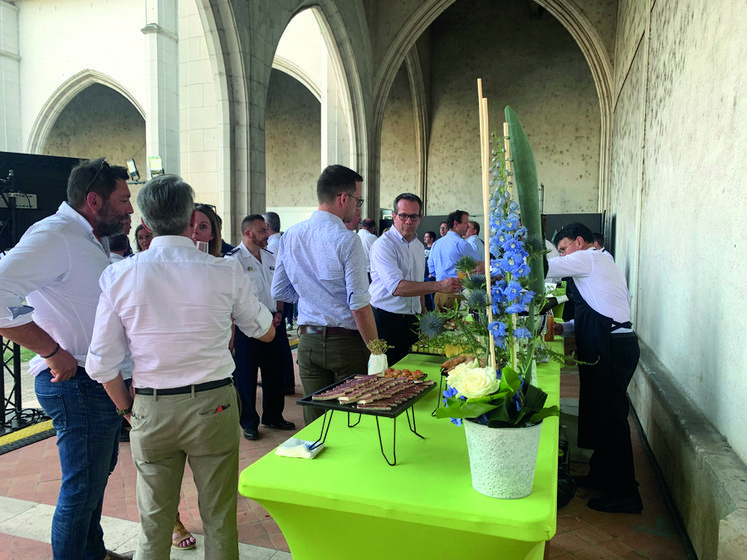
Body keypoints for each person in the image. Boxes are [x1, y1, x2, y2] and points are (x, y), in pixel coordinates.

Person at [85, 174, 274, 559]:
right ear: (192, 221)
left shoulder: (119, 275)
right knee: (219, 516)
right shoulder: (223, 270)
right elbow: (264, 330)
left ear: (146, 224)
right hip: (213, 404)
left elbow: (102, 363)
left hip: (152, 406)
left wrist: (126, 407)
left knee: (154, 523)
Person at [0, 157, 133, 560]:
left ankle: (92, 551)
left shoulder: (89, 237)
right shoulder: (55, 235)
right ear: (94, 200)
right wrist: (52, 352)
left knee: (94, 479)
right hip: (75, 382)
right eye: (123, 199)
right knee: (81, 489)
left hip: (95, 381)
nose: (130, 208)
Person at [271, 164, 378, 424]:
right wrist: (377, 350)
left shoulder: (292, 235)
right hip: (346, 343)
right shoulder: (347, 239)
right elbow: (359, 306)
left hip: (308, 340)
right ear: (344, 198)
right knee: (352, 419)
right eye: (358, 200)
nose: (357, 206)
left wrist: (313, 296)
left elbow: (279, 290)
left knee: (316, 422)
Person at [548, 222, 642, 514]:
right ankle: (601, 475)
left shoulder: (589, 258)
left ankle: (626, 493)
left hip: (612, 348)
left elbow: (539, 268)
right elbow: (598, 310)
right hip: (611, 342)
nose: (563, 257)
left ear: (580, 241)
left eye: (564, 250)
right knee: (601, 413)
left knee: (612, 418)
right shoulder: (600, 262)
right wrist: (565, 327)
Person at [225, 214, 296, 440]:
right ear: (248, 233)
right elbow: (232, 299)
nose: (268, 234)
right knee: (245, 376)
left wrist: (279, 313)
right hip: (247, 328)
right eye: (262, 231)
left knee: (275, 372)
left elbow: (280, 288)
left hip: (274, 324)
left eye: (267, 230)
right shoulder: (233, 261)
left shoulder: (271, 257)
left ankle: (273, 415)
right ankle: (248, 421)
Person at [369, 194, 461, 365]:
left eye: (414, 216)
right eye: (403, 215)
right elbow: (397, 288)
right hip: (386, 320)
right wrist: (439, 285)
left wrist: (424, 318)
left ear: (420, 218)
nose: (408, 221)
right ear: (394, 216)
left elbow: (419, 287)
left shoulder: (418, 246)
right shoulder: (384, 245)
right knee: (390, 374)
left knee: (413, 371)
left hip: (412, 320)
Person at [428, 209, 483, 310]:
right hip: (455, 296)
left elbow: (431, 269)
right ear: (456, 223)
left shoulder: (436, 244)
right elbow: (478, 267)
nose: (467, 226)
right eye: (466, 223)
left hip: (439, 295)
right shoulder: (462, 244)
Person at [423, 231, 437, 311]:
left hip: (431, 276)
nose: (424, 238)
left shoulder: (434, 249)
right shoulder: (423, 249)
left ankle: (433, 311)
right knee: (425, 297)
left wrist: (432, 273)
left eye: (427, 236)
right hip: (423, 276)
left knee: (432, 296)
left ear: (431, 239)